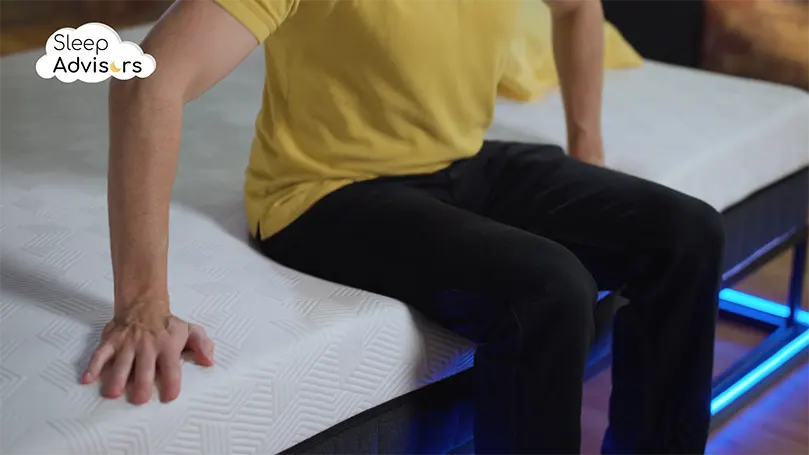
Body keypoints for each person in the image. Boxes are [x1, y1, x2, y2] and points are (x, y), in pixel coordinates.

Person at [81, 0, 724, 453]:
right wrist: (143, 305)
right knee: (551, 286)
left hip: (461, 160)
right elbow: (147, 76)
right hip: (323, 192)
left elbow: (577, 7)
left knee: (686, 234)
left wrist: (588, 152)